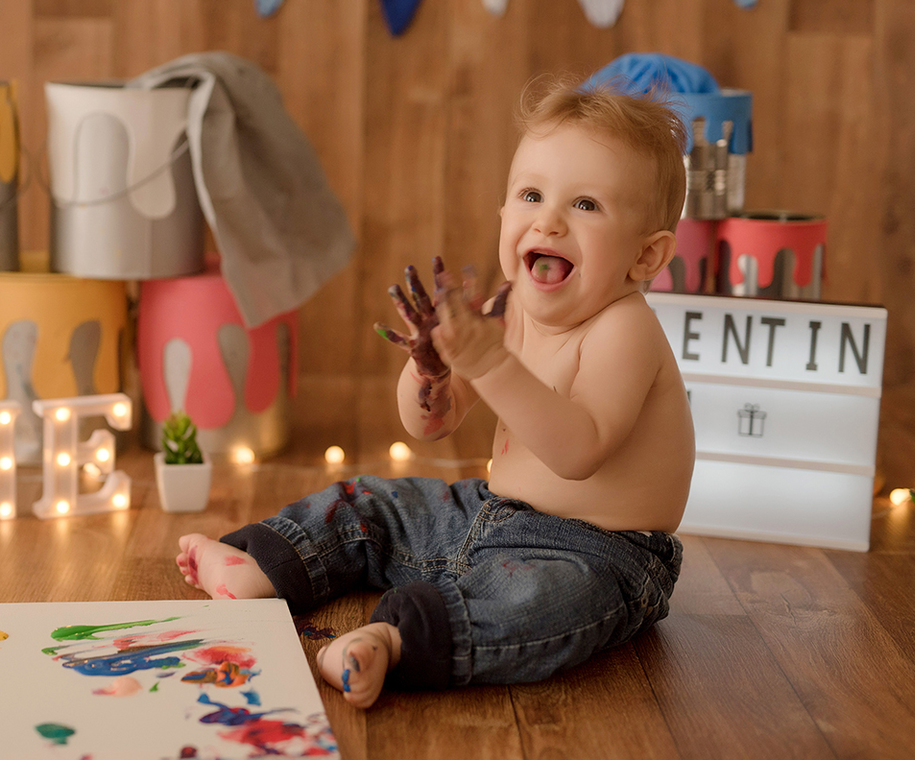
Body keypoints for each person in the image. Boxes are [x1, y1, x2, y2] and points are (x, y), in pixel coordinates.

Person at [175, 76, 695, 708]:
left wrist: (489, 362)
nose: (549, 220)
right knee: (378, 503)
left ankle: (394, 641)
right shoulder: (509, 308)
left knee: (538, 606)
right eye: (531, 194)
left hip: (600, 553)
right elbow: (431, 425)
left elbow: (577, 451)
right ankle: (268, 562)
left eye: (586, 205)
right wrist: (431, 374)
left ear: (646, 256)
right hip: (484, 513)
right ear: (504, 216)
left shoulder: (625, 329)